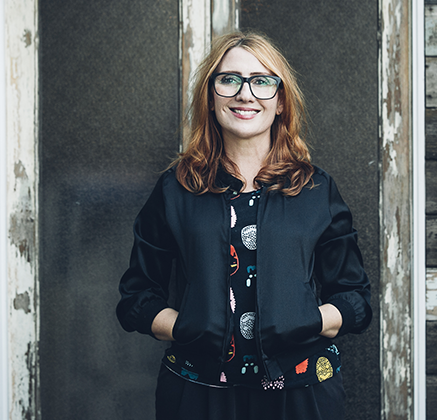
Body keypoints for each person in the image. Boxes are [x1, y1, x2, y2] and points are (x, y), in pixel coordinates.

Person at [116, 31, 372, 420]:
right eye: (229, 79)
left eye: (262, 81)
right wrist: (190, 327)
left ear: (281, 101)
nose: (245, 94)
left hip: (302, 395)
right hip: (197, 394)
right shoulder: (176, 188)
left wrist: (305, 321)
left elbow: (354, 299)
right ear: (211, 95)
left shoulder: (316, 189)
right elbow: (137, 297)